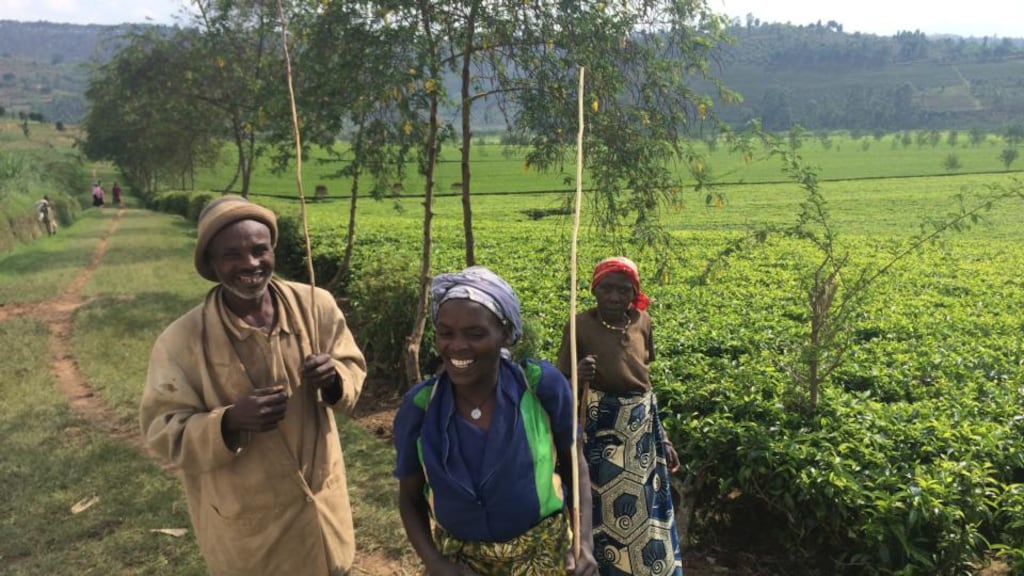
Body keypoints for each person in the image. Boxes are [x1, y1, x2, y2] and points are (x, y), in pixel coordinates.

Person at [139, 196, 367, 576]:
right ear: (212, 264)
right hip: (251, 534)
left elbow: (352, 368)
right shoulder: (180, 341)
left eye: (260, 250)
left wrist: (333, 380)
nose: (250, 263)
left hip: (323, 517)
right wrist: (228, 422)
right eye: (232, 254)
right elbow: (162, 432)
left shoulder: (316, 306)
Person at [393, 266, 598, 575]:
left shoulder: (542, 387)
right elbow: (409, 497)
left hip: (542, 558)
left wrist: (583, 544)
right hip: (460, 566)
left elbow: (574, 464)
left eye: (475, 334)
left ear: (505, 333)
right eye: (446, 333)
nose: (457, 346)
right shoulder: (420, 407)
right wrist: (435, 563)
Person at [557, 256, 683, 576]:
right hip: (601, 431)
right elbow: (560, 382)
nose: (614, 297)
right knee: (601, 506)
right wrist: (578, 374)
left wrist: (662, 437)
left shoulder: (643, 321)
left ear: (634, 294)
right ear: (594, 290)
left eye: (623, 290)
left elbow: (645, 381)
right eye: (607, 289)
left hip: (640, 430)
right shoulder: (579, 325)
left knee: (645, 504)